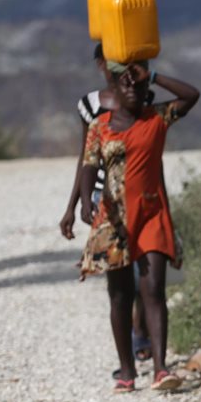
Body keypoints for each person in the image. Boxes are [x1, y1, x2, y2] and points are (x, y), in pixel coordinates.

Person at [78, 59, 200, 393]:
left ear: (147, 90)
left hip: (151, 214)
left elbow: (192, 95)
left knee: (154, 289)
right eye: (126, 84)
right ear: (114, 89)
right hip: (114, 217)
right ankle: (128, 371)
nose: (132, 89)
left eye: (139, 85)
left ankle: (160, 370)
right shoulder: (100, 127)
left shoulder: (157, 118)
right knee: (120, 295)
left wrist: (155, 75)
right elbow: (88, 165)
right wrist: (86, 199)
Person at [60, 43, 153, 362]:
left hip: (141, 195)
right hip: (105, 198)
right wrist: (76, 204)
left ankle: (141, 331)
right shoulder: (89, 105)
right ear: (101, 64)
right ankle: (131, 341)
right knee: (119, 273)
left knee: (146, 271)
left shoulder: (142, 97)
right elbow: (86, 157)